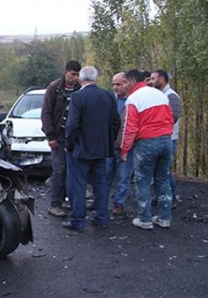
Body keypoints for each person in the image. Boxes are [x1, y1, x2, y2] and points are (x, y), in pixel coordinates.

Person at [62, 66, 119, 231]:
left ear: (80, 79)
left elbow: (72, 125)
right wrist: (109, 140)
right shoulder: (108, 96)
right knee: (100, 185)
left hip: (80, 150)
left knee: (78, 185)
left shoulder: (78, 97)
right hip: (102, 149)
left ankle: (77, 221)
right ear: (96, 78)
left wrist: (69, 145)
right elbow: (116, 122)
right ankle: (101, 218)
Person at [120, 69, 174, 230]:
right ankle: (165, 218)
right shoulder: (161, 95)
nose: (124, 85)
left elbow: (130, 128)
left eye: (124, 82)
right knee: (163, 179)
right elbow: (170, 118)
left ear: (131, 81)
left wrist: (124, 150)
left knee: (142, 181)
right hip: (166, 141)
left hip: (147, 143)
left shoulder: (133, 99)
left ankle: (145, 219)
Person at [41, 60, 81, 218]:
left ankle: (66, 199)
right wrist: (50, 135)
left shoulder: (79, 89)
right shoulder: (54, 88)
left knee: (72, 170)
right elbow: (46, 113)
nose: (75, 78)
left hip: (73, 137)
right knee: (59, 170)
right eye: (73, 74)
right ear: (66, 72)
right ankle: (55, 204)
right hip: (58, 136)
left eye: (78, 75)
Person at [149, 69, 182, 207]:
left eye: (153, 78)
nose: (150, 81)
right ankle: (161, 196)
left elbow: (172, 117)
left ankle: (171, 198)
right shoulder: (161, 95)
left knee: (164, 171)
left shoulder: (171, 96)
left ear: (162, 80)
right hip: (161, 137)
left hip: (169, 138)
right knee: (158, 170)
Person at [105, 72, 134, 215]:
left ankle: (119, 204)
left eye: (118, 84)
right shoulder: (110, 100)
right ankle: (100, 201)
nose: (115, 87)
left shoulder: (133, 101)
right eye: (113, 84)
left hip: (127, 146)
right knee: (105, 175)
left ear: (126, 83)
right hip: (109, 145)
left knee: (123, 176)